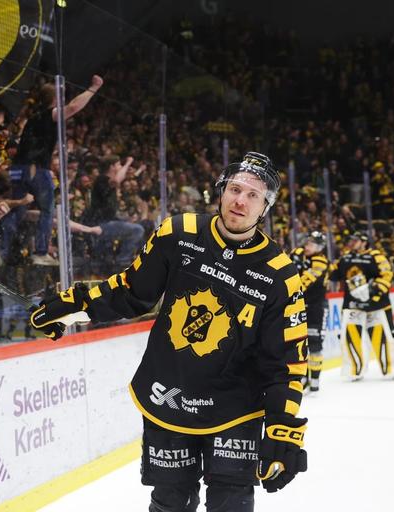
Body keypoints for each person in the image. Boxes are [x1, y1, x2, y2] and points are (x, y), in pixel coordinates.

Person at [30, 152, 308, 512]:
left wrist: (283, 429)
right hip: (169, 398)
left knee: (231, 505)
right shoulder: (179, 233)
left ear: (265, 207)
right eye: (235, 189)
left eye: (253, 195)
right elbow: (131, 292)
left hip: (236, 410)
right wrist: (74, 306)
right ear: (221, 190)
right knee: (170, 504)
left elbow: (286, 362)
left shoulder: (280, 274)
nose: (240, 200)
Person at [1, 75, 104, 266]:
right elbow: (74, 107)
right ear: (54, 98)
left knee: (17, 208)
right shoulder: (50, 114)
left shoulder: (34, 117)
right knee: (47, 210)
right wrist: (93, 88)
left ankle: (3, 251)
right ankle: (40, 253)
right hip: (35, 169)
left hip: (18, 168)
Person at [330, 231, 394, 380]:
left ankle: (388, 369)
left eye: (356, 240)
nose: (352, 243)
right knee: (351, 338)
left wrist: (374, 289)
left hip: (374, 305)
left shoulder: (376, 256)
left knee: (380, 338)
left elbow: (387, 275)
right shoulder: (345, 257)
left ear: (364, 242)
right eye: (351, 240)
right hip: (352, 305)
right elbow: (333, 274)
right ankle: (355, 371)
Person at [82, 154, 145, 273]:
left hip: (108, 221)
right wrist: (127, 163)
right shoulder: (102, 179)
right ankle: (123, 261)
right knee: (138, 230)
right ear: (112, 167)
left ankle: (121, 259)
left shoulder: (106, 182)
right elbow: (116, 181)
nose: (120, 167)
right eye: (118, 165)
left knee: (142, 225)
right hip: (100, 224)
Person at [290, 231, 329, 392]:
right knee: (298, 344)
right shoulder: (298, 253)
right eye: (308, 242)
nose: (307, 246)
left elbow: (305, 282)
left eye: (312, 244)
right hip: (299, 306)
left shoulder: (321, 261)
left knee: (314, 344)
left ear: (319, 247)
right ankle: (303, 378)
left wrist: (288, 288)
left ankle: (315, 382)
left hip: (316, 308)